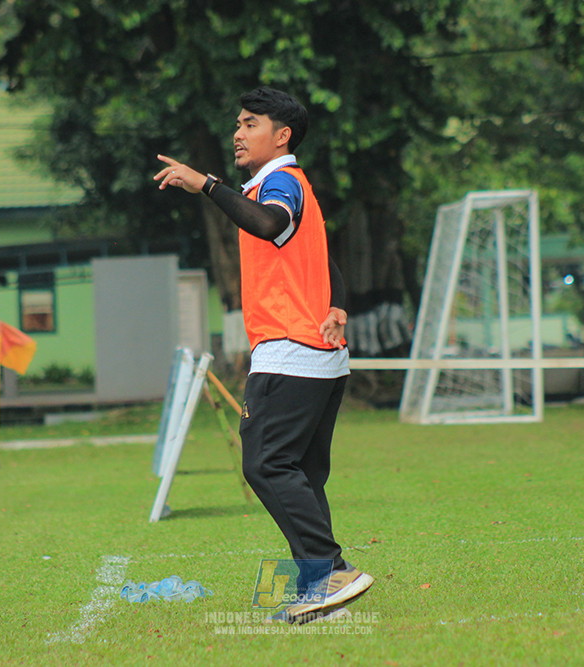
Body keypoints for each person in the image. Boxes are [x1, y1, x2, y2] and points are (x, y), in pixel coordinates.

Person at [154, 86, 373, 623]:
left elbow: (269, 224)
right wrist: (338, 304)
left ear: (282, 136)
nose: (237, 133)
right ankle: (323, 594)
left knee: (266, 463)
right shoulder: (285, 186)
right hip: (320, 355)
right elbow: (321, 257)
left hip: (291, 355)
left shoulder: (281, 182)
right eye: (237, 123)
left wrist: (207, 184)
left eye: (250, 123)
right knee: (301, 475)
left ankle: (331, 570)